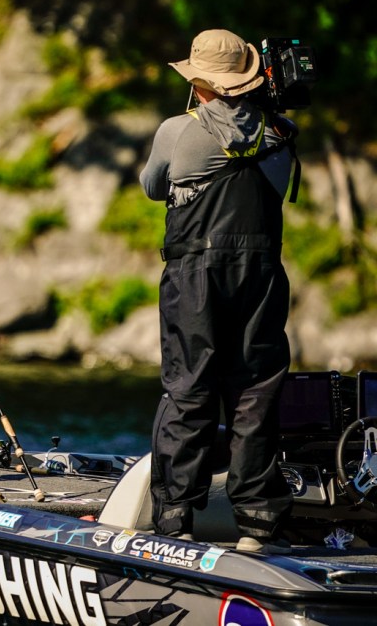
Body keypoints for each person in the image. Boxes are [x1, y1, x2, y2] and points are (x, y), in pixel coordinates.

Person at [140, 29, 297, 553]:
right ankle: (258, 523)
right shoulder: (281, 133)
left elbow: (152, 187)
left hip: (195, 274)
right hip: (263, 274)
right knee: (255, 389)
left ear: (199, 82)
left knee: (189, 387)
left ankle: (176, 517)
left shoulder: (177, 130)